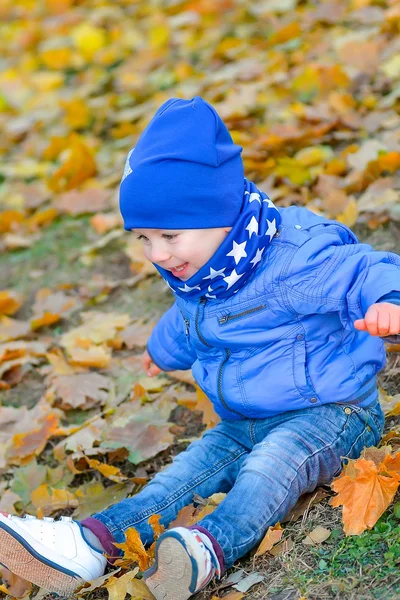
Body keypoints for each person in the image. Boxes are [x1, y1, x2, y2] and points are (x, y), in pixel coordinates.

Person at [0, 97, 399, 600]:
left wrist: (390, 301)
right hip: (241, 421)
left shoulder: (295, 258)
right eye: (143, 238)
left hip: (331, 413)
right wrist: (162, 349)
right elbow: (189, 323)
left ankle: (208, 546)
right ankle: (90, 542)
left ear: (221, 215)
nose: (157, 254)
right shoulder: (198, 272)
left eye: (168, 234)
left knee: (270, 466)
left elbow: (364, 270)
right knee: (184, 472)